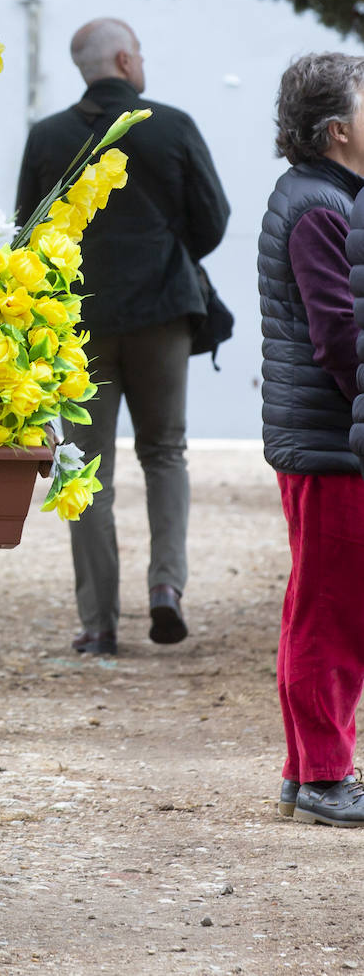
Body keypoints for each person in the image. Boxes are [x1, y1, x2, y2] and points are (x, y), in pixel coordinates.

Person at [15, 18, 230, 657]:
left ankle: (98, 623)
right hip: (163, 312)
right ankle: (166, 589)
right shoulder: (171, 125)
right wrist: (166, 251)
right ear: (123, 59)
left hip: (81, 326)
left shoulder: (48, 137)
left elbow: (28, 232)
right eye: (138, 52)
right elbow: (214, 220)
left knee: (86, 470)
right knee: (165, 452)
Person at [260, 52, 364, 826]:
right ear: (338, 131)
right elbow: (339, 337)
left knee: (315, 604)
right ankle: (327, 774)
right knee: (333, 610)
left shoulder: (319, 196)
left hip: (319, 437)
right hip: (332, 441)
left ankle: (309, 770)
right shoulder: (324, 208)